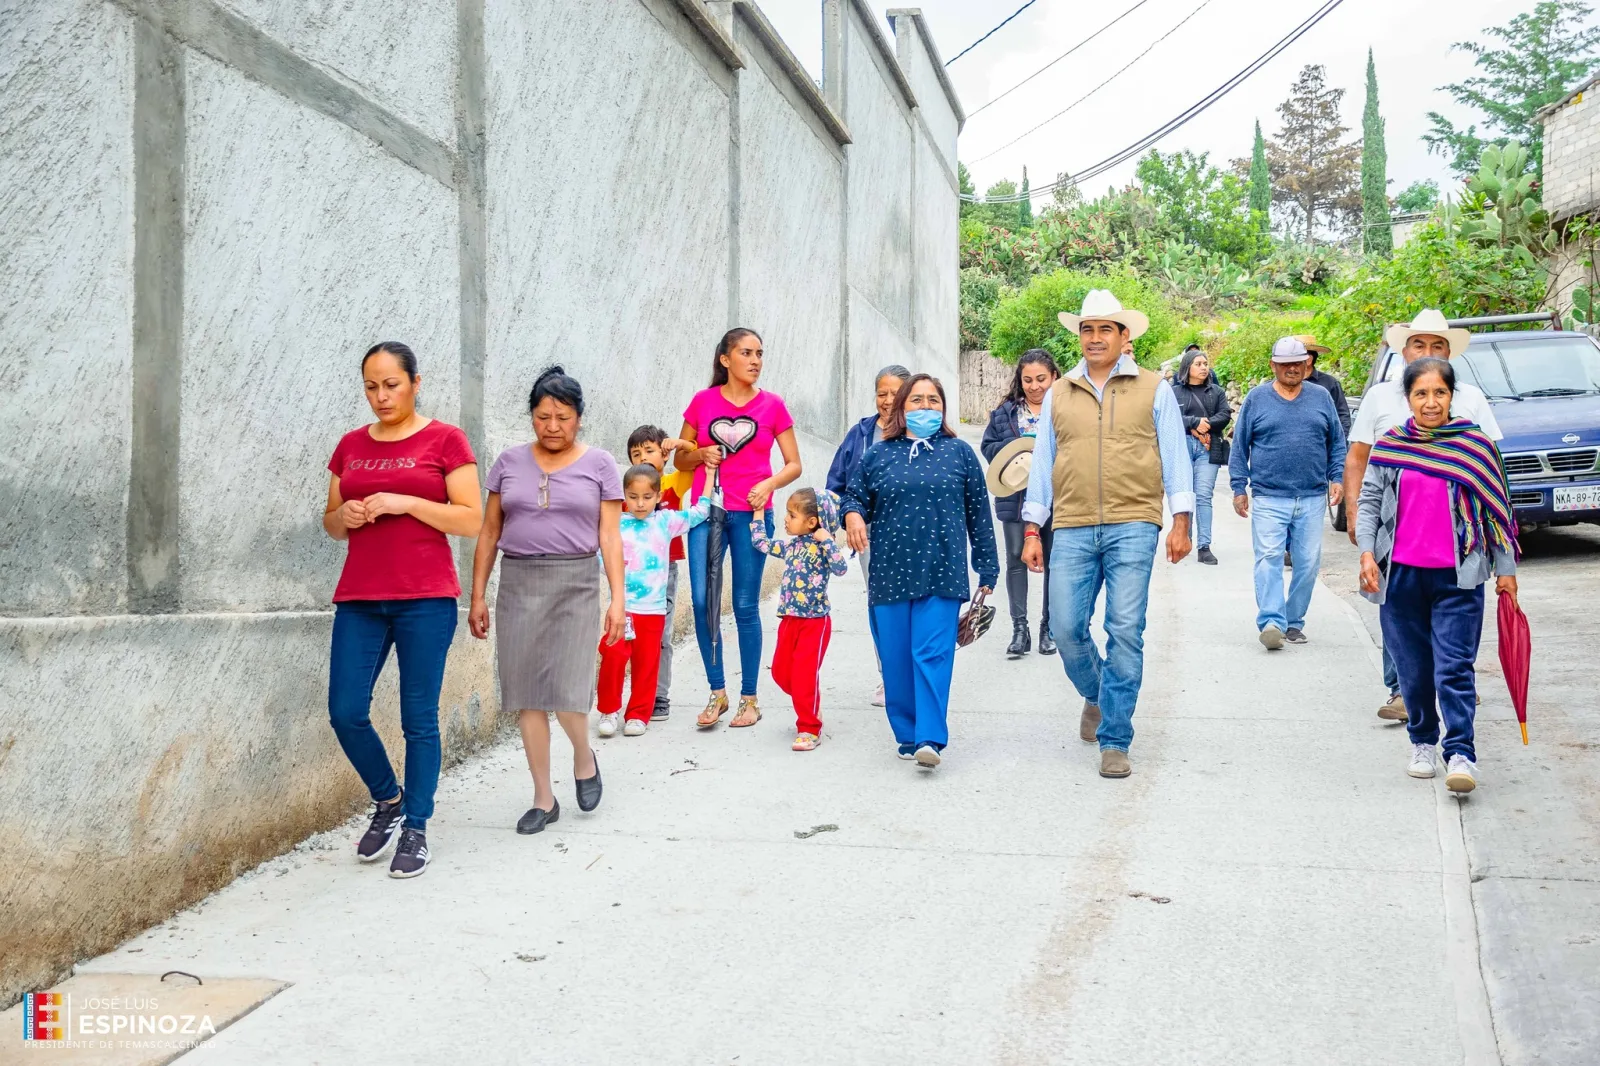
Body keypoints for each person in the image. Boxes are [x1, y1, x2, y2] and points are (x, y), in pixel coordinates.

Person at [323, 341, 483, 879]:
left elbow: (471, 519)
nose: (381, 395)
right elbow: (331, 522)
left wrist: (406, 501)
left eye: (391, 384)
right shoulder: (349, 446)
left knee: (419, 718)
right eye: (371, 386)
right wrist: (343, 513)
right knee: (345, 710)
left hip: (425, 597)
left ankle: (415, 825)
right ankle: (387, 800)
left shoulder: (445, 439)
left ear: (416, 382)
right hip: (361, 597)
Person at [1020, 291, 1194, 780]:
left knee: (1124, 629)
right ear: (1080, 336)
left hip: (1134, 522)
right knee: (1066, 628)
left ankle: (1115, 737)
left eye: (1105, 330)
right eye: (1087, 329)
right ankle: (1097, 694)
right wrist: (1033, 527)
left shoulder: (1154, 388)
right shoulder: (1059, 392)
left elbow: (1175, 456)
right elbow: (1042, 463)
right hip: (1072, 523)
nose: (1095, 338)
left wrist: (1181, 521)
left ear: (1124, 337)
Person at [469, 367, 624, 836]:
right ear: (531, 417)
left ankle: (583, 757)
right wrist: (478, 595)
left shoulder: (599, 464)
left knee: (570, 692)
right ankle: (543, 797)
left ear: (579, 418)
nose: (552, 426)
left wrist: (618, 600)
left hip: (576, 582)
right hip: (518, 581)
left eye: (562, 416)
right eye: (542, 417)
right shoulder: (509, 462)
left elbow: (610, 537)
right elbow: (490, 531)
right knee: (526, 695)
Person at [1357, 357, 1519, 793]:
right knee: (1413, 670)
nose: (1431, 402)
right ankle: (1423, 742)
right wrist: (1367, 553)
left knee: (1454, 668)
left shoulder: (1474, 446)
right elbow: (1370, 501)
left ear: (1452, 395)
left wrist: (1506, 572)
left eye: (1439, 393)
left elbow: (1497, 510)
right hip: (1401, 577)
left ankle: (1461, 752)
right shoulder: (1391, 446)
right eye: (1421, 394)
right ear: (1408, 398)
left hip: (1459, 578)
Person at [1343, 309, 1504, 721]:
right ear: (1403, 350)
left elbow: (1489, 470)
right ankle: (1403, 692)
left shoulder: (1469, 398)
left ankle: (1452, 686)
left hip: (1455, 540)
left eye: (1437, 346)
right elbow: (1359, 457)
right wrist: (1356, 513)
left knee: (1452, 630)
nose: (1427, 351)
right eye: (1419, 344)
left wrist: (1504, 560)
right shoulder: (1381, 397)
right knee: (1398, 616)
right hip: (1395, 530)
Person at [843, 374, 999, 768]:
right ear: (902, 408)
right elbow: (854, 495)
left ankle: (930, 737)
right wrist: (853, 516)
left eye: (933, 400)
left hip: (941, 571)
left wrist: (988, 571)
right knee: (895, 659)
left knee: (931, 653)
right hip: (889, 572)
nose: (925, 407)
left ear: (943, 409)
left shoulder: (960, 453)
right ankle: (908, 733)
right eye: (917, 400)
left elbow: (979, 515)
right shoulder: (878, 455)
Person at [676, 329, 803, 730]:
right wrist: (700, 453)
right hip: (705, 514)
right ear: (725, 359)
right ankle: (717, 693)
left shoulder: (773, 406)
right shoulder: (702, 401)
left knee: (746, 605)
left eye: (760, 354)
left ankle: (750, 698)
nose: (755, 360)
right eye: (746, 353)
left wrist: (769, 485)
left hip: (752, 515)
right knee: (702, 600)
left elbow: (793, 463)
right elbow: (680, 461)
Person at [1229, 337, 1345, 649]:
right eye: (1285, 364)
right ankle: (1271, 622)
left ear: (1307, 364)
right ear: (1273, 365)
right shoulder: (1257, 399)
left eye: (1297, 363)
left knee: (1307, 562)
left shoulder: (1321, 397)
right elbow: (1239, 445)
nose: (1292, 368)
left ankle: (1293, 622)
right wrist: (1239, 487)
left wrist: (1337, 476)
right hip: (1268, 496)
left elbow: (1336, 441)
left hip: (1311, 495)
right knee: (1268, 558)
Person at [597, 464, 713, 738]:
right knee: (613, 657)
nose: (639, 503)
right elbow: (599, 554)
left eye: (647, 497)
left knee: (647, 663)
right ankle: (608, 710)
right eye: (633, 496)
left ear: (658, 496)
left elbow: (699, 513)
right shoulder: (616, 523)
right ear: (624, 495)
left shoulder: (665, 521)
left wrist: (708, 477)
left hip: (653, 610)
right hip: (622, 609)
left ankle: (638, 713)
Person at [826, 364, 910, 706]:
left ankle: (913, 674)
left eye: (895, 393)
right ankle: (889, 677)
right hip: (870, 535)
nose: (888, 401)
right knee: (881, 605)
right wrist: (843, 519)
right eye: (882, 393)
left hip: (911, 532)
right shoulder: (860, 434)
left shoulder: (919, 432)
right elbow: (837, 483)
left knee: (913, 605)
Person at [751, 489, 850, 751]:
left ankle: (808, 727)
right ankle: (811, 704)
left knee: (805, 676)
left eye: (792, 515)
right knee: (782, 673)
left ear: (812, 522)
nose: (786, 519)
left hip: (815, 623)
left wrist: (828, 539)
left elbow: (841, 568)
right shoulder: (791, 546)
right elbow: (761, 543)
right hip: (789, 621)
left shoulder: (823, 548)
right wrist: (759, 512)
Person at [981, 348, 1060, 658]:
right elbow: (988, 447)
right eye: (1028, 380)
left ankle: (1048, 628)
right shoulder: (1005, 414)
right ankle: (1019, 630)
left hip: (1058, 498)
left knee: (1054, 561)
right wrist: (1018, 448)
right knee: (1016, 559)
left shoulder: (1066, 409)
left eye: (1041, 379)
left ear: (1054, 376)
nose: (1035, 386)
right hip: (1013, 497)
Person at [626, 426, 695, 721]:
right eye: (636, 454)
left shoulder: (672, 484)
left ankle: (659, 695)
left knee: (662, 636)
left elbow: (694, 459)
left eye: (650, 451)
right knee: (634, 638)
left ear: (664, 456)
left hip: (664, 572)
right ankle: (638, 694)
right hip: (635, 576)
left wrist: (680, 444)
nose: (643, 457)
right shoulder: (630, 492)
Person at [1169, 346, 1231, 565]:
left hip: (1208, 447)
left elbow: (1225, 415)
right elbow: (1169, 418)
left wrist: (1205, 425)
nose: (1204, 368)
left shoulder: (1216, 392)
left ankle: (1204, 546)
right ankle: (1184, 537)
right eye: (1199, 364)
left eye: (1205, 364)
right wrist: (1195, 424)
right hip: (1183, 446)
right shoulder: (1174, 392)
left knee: (1203, 495)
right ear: (1188, 367)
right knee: (1186, 495)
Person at [1297, 336, 1352, 437]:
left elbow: (1342, 415)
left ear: (1309, 359)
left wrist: (1340, 444)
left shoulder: (1329, 383)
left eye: (1296, 357)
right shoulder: (1281, 385)